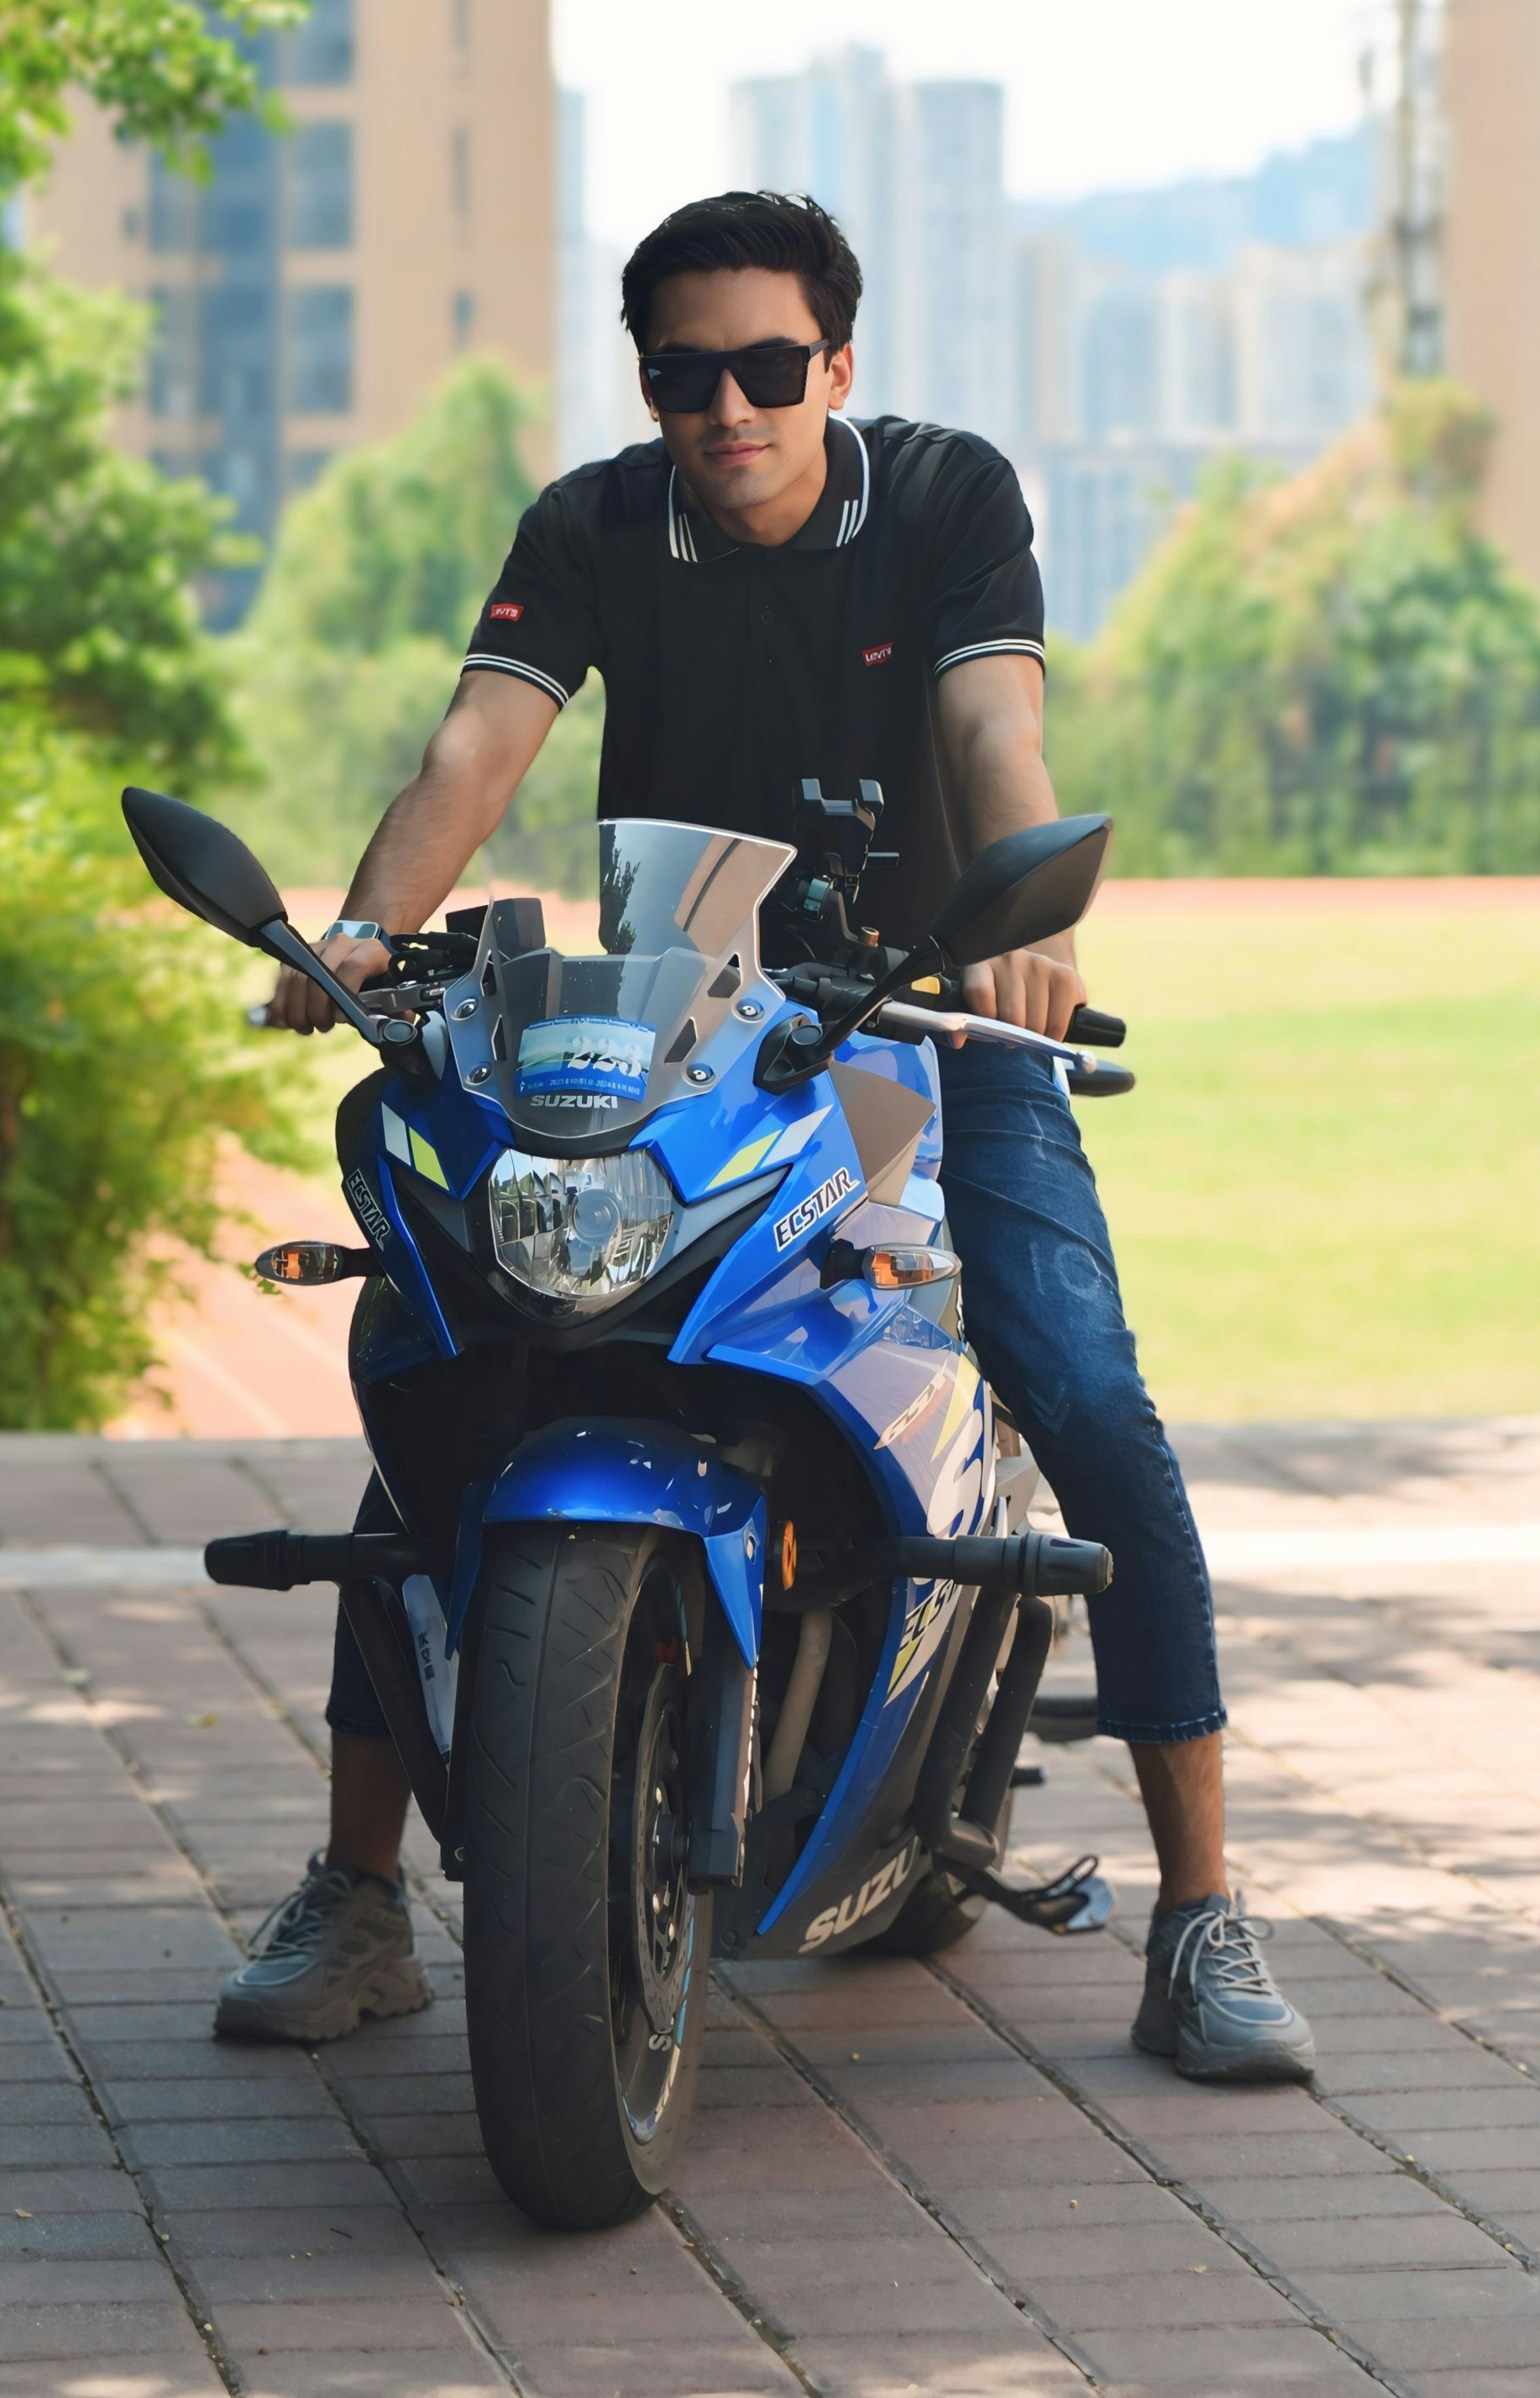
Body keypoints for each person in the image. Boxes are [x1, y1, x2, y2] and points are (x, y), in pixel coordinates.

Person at [214, 192, 1314, 2086]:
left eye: (767, 367)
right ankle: (362, 1889)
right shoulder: (590, 525)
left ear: (837, 366)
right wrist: (372, 935)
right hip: (679, 1029)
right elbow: (477, 749)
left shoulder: (948, 500)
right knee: (463, 1349)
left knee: (1074, 1374)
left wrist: (1028, 931)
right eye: (681, 372)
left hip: (923, 1006)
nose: (727, 405)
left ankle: (1203, 1909)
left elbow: (993, 736)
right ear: (643, 382)